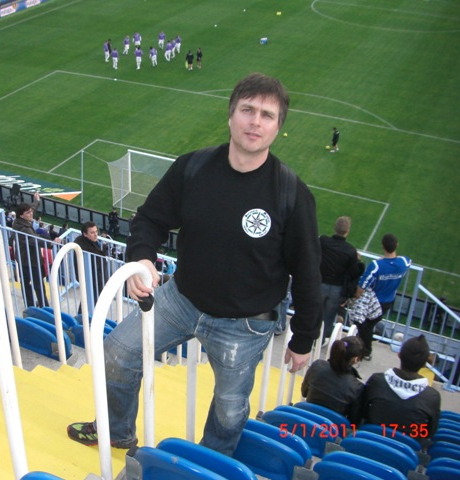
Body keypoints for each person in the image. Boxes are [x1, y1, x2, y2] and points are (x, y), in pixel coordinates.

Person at [67, 73, 322, 455]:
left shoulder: (291, 193)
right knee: (116, 353)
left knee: (230, 409)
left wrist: (303, 337)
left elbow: (306, 271)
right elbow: (150, 218)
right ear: (230, 115)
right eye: (248, 110)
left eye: (267, 115)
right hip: (181, 299)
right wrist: (141, 256)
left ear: (278, 127)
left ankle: (210, 464)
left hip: (246, 322)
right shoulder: (194, 167)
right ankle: (116, 432)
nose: (255, 121)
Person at [362, 334, 441, 443]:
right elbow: (429, 433)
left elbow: (361, 412)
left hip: (368, 443)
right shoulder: (432, 397)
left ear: (399, 355)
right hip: (406, 450)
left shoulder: (377, 381)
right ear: (424, 364)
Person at [355, 233, 411, 360]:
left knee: (365, 325)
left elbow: (362, 286)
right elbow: (409, 261)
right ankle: (361, 346)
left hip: (374, 302)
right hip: (388, 301)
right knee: (367, 325)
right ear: (396, 245)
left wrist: (357, 299)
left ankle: (365, 351)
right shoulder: (403, 262)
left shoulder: (376, 266)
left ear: (382, 247)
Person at [301, 336, 365, 424]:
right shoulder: (357, 387)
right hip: (332, 429)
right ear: (356, 359)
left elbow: (304, 392)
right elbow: (354, 420)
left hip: (306, 421)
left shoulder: (317, 366)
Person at [319, 216, 361, 345]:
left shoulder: (323, 241)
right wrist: (358, 261)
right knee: (329, 316)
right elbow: (354, 272)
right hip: (336, 289)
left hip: (320, 284)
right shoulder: (350, 251)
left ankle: (313, 337)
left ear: (335, 227)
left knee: (315, 312)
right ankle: (321, 340)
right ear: (347, 231)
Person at [11, 193, 50, 308]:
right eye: (28, 213)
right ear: (21, 215)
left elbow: (32, 208)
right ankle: (44, 307)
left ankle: (31, 305)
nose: (31, 213)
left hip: (24, 259)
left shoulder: (19, 221)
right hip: (30, 261)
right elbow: (35, 240)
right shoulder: (23, 228)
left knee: (27, 284)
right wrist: (52, 243)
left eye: (30, 212)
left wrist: (36, 201)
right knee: (38, 286)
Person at [73, 221, 108, 312]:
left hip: (94, 277)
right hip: (92, 278)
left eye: (96, 231)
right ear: (85, 234)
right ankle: (84, 317)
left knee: (89, 300)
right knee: (91, 300)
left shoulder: (83, 241)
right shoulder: (84, 246)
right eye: (92, 233)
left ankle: (83, 316)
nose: (96, 235)